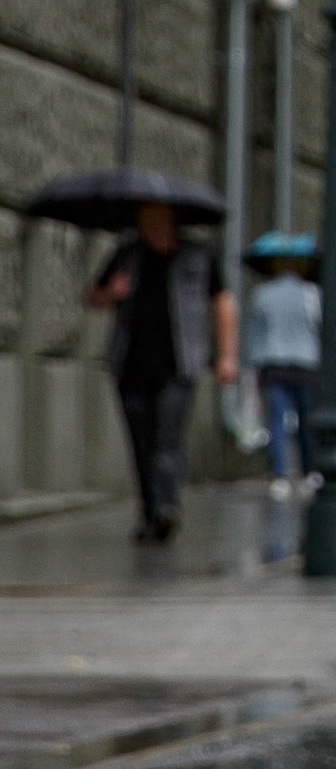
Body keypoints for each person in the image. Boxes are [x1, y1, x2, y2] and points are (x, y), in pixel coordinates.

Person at [85, 202, 236, 545]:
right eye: (144, 218)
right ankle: (150, 511)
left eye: (157, 217)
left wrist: (227, 356)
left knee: (166, 438)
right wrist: (111, 293)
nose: (150, 224)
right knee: (140, 442)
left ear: (172, 219)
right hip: (129, 364)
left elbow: (223, 302)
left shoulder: (198, 256)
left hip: (179, 365)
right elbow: (92, 295)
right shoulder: (126, 256)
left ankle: (168, 506)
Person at [243, 248, 323, 503]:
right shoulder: (312, 293)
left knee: (276, 420)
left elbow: (255, 333)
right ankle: (310, 472)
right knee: (306, 420)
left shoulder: (262, 294)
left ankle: (280, 476)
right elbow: (320, 328)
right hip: (306, 364)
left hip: (273, 364)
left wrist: (252, 363)